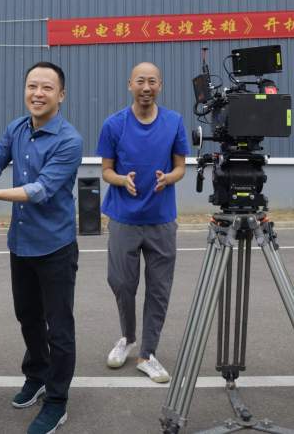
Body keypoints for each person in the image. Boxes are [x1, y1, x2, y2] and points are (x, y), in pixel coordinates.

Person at [0, 61, 82, 434]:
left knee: (59, 328)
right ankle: (37, 375)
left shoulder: (69, 140)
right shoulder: (17, 128)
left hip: (55, 247)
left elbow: (40, 190)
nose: (38, 94)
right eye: (32, 86)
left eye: (46, 88)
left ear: (61, 95)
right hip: (21, 244)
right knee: (27, 316)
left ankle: (56, 402)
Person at [96, 62, 188, 383]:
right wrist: (122, 180)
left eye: (152, 81)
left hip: (161, 219)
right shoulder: (114, 124)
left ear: (160, 85)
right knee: (121, 283)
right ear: (130, 85)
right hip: (124, 217)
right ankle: (128, 337)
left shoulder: (174, 122)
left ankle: (147, 354)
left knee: (159, 288)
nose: (146, 87)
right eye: (140, 81)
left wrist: (168, 178)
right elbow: (106, 171)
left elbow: (181, 167)